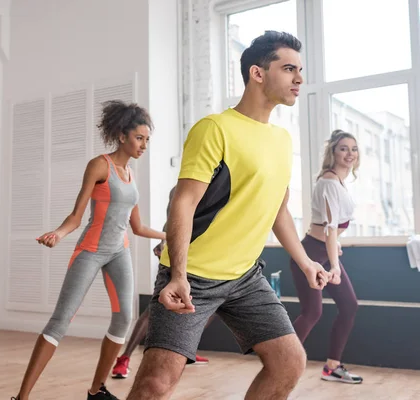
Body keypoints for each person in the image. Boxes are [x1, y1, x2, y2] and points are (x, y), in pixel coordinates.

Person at [125, 31, 332, 400]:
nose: (299, 79)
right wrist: (177, 275)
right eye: (288, 69)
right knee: (155, 383)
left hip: (245, 277)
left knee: (289, 361)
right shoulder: (215, 129)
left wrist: (304, 262)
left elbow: (277, 210)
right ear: (257, 72)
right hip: (192, 278)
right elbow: (183, 204)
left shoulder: (282, 141)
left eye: (300, 70)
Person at [13, 100, 166, 400]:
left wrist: (170, 235)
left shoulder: (131, 175)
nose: (144, 145)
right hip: (91, 250)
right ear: (122, 136)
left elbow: (137, 227)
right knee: (60, 321)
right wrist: (58, 234)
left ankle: (96, 391)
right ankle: (21, 397)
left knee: (123, 319)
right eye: (139, 138)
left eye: (147, 140)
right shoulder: (100, 165)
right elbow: (76, 216)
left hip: (119, 252)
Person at [111, 186, 216, 379]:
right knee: (153, 310)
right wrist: (165, 242)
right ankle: (124, 359)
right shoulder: (181, 188)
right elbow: (173, 220)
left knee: (213, 306)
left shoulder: (219, 187)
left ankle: (186, 350)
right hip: (178, 255)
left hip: (203, 254)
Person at [290, 129, 362, 384]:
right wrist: (335, 266)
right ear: (332, 153)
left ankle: (332, 366)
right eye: (343, 148)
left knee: (349, 305)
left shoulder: (340, 182)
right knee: (312, 312)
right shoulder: (330, 182)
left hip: (322, 251)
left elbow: (331, 232)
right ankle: (283, 362)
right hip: (310, 255)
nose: (349, 153)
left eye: (353, 149)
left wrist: (334, 253)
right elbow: (330, 229)